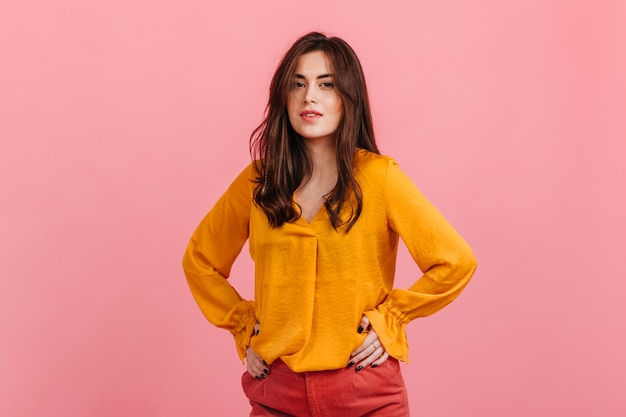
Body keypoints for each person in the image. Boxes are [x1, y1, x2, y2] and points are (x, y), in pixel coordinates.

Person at [183, 31, 477, 417]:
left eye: (327, 84)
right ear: (283, 97)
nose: (310, 97)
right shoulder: (259, 182)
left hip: (364, 390)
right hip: (277, 392)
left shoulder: (379, 177)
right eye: (298, 84)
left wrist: (392, 319)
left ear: (348, 98)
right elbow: (200, 260)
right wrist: (243, 325)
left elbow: (455, 260)